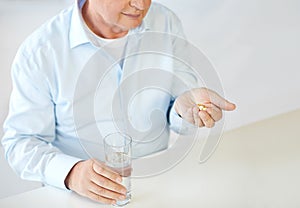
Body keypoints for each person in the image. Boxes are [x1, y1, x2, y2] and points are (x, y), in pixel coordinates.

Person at [2, 0, 236, 205]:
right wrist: (71, 173)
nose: (141, 5)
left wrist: (185, 111)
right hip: (77, 198)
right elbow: (21, 142)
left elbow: (180, 105)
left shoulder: (165, 21)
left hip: (157, 189)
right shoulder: (41, 51)